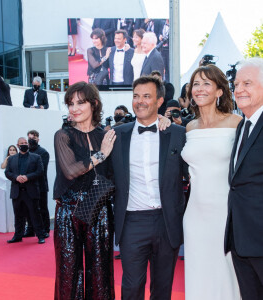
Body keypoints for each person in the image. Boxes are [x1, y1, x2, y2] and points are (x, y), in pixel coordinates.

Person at [110, 75, 188, 300]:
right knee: (132, 287)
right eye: (136, 96)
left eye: (146, 96)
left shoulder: (177, 135)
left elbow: (191, 172)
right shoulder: (117, 135)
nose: (140, 101)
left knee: (162, 288)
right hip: (132, 221)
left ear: (159, 101)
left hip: (167, 221)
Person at [181, 64, 242, 300]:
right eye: (196, 83)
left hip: (227, 212)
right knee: (199, 272)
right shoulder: (189, 127)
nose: (199, 88)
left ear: (219, 91)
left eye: (207, 83)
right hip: (195, 214)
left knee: (227, 272)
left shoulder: (236, 122)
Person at [53, 81, 116, 299]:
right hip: (68, 211)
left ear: (94, 104)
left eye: (80, 102)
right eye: (70, 103)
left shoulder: (106, 136)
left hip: (99, 209)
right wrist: (101, 155)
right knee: (68, 270)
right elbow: (71, 171)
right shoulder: (63, 135)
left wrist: (163, 118)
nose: (74, 108)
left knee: (101, 271)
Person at [224, 57, 263, 300]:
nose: (239, 89)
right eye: (236, 84)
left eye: (247, 83)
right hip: (240, 240)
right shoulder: (242, 126)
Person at [5, 137, 45, 244]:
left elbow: (40, 171)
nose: (24, 144)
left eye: (25, 143)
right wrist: (16, 177)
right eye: (22, 143)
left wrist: (27, 177)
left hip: (31, 191)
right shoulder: (12, 159)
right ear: (17, 146)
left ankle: (40, 235)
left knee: (35, 214)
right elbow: (7, 172)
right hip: (17, 192)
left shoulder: (36, 157)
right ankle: (18, 235)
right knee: (18, 215)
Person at [24, 130, 50, 238]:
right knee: (29, 209)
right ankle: (30, 230)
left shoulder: (43, 152)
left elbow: (41, 170)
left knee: (42, 208)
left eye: (33, 139)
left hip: (41, 186)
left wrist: (27, 174)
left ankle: (45, 230)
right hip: (28, 185)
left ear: (38, 139)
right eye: (29, 138)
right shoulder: (25, 152)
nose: (31, 141)